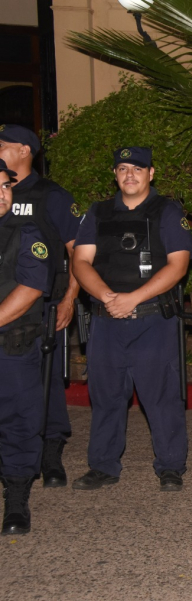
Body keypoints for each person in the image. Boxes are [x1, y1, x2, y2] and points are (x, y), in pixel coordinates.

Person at [71, 147, 192, 492]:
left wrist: (133, 298)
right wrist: (108, 298)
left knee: (161, 396)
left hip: (152, 320)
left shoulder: (167, 211)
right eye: (123, 168)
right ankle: (103, 465)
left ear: (150, 173)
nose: (130, 175)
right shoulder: (97, 213)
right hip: (106, 319)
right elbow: (81, 262)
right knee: (106, 395)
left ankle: (171, 466)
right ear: (115, 174)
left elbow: (178, 264)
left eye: (137, 169)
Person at [0, 124, 81, 488]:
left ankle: (51, 450)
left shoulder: (52, 196)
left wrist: (70, 299)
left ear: (23, 150)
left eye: (2, 145)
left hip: (42, 303)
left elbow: (77, 251)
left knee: (44, 381)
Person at [0, 158, 53, 535]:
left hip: (10, 346)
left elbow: (32, 286)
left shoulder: (25, 231)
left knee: (18, 423)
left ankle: (16, 501)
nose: (3, 194)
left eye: (6, 186)